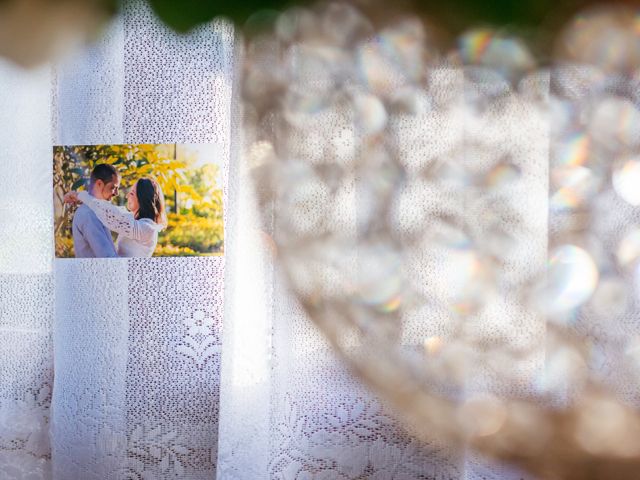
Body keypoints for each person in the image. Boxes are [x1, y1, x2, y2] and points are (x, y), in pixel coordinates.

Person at [65, 175, 167, 257]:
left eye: (131, 193)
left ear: (142, 198)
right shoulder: (136, 222)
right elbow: (108, 211)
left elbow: (110, 213)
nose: (127, 196)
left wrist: (81, 196)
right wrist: (82, 201)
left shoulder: (147, 228)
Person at [71, 164, 120, 258]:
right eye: (113, 188)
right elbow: (107, 258)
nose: (116, 193)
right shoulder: (90, 215)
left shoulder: (95, 211)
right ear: (99, 184)